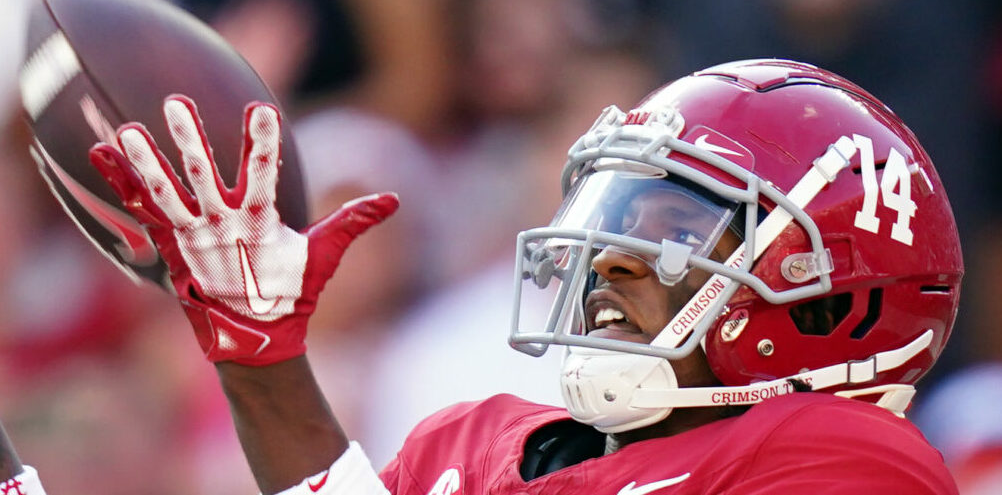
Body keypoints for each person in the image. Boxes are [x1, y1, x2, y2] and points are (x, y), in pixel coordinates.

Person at [4, 59, 962, 493]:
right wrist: (263, 360)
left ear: (828, 296)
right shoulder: (467, 441)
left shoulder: (847, 457)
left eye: (673, 227)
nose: (612, 257)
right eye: (612, 217)